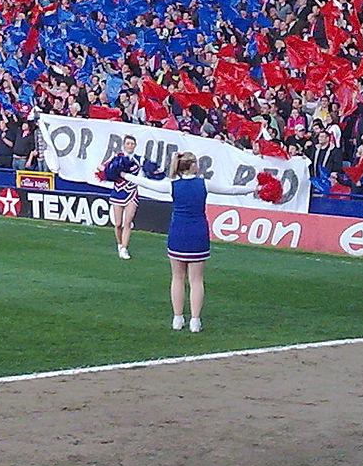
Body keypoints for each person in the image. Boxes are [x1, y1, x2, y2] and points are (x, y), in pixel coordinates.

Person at [126, 151, 260, 332]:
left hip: (178, 232)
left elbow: (148, 184)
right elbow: (232, 190)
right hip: (198, 232)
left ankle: (177, 318)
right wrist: (254, 188)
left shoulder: (172, 185)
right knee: (196, 279)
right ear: (192, 166)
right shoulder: (204, 184)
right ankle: (195, 321)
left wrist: (124, 175)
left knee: (177, 277)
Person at [98, 135, 143, 260]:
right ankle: (119, 244)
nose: (130, 146)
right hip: (118, 192)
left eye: (132, 144)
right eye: (128, 144)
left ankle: (124, 248)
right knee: (118, 224)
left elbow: (147, 171)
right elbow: (102, 169)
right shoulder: (117, 158)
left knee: (127, 222)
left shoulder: (139, 160)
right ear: (124, 145)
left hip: (132, 192)